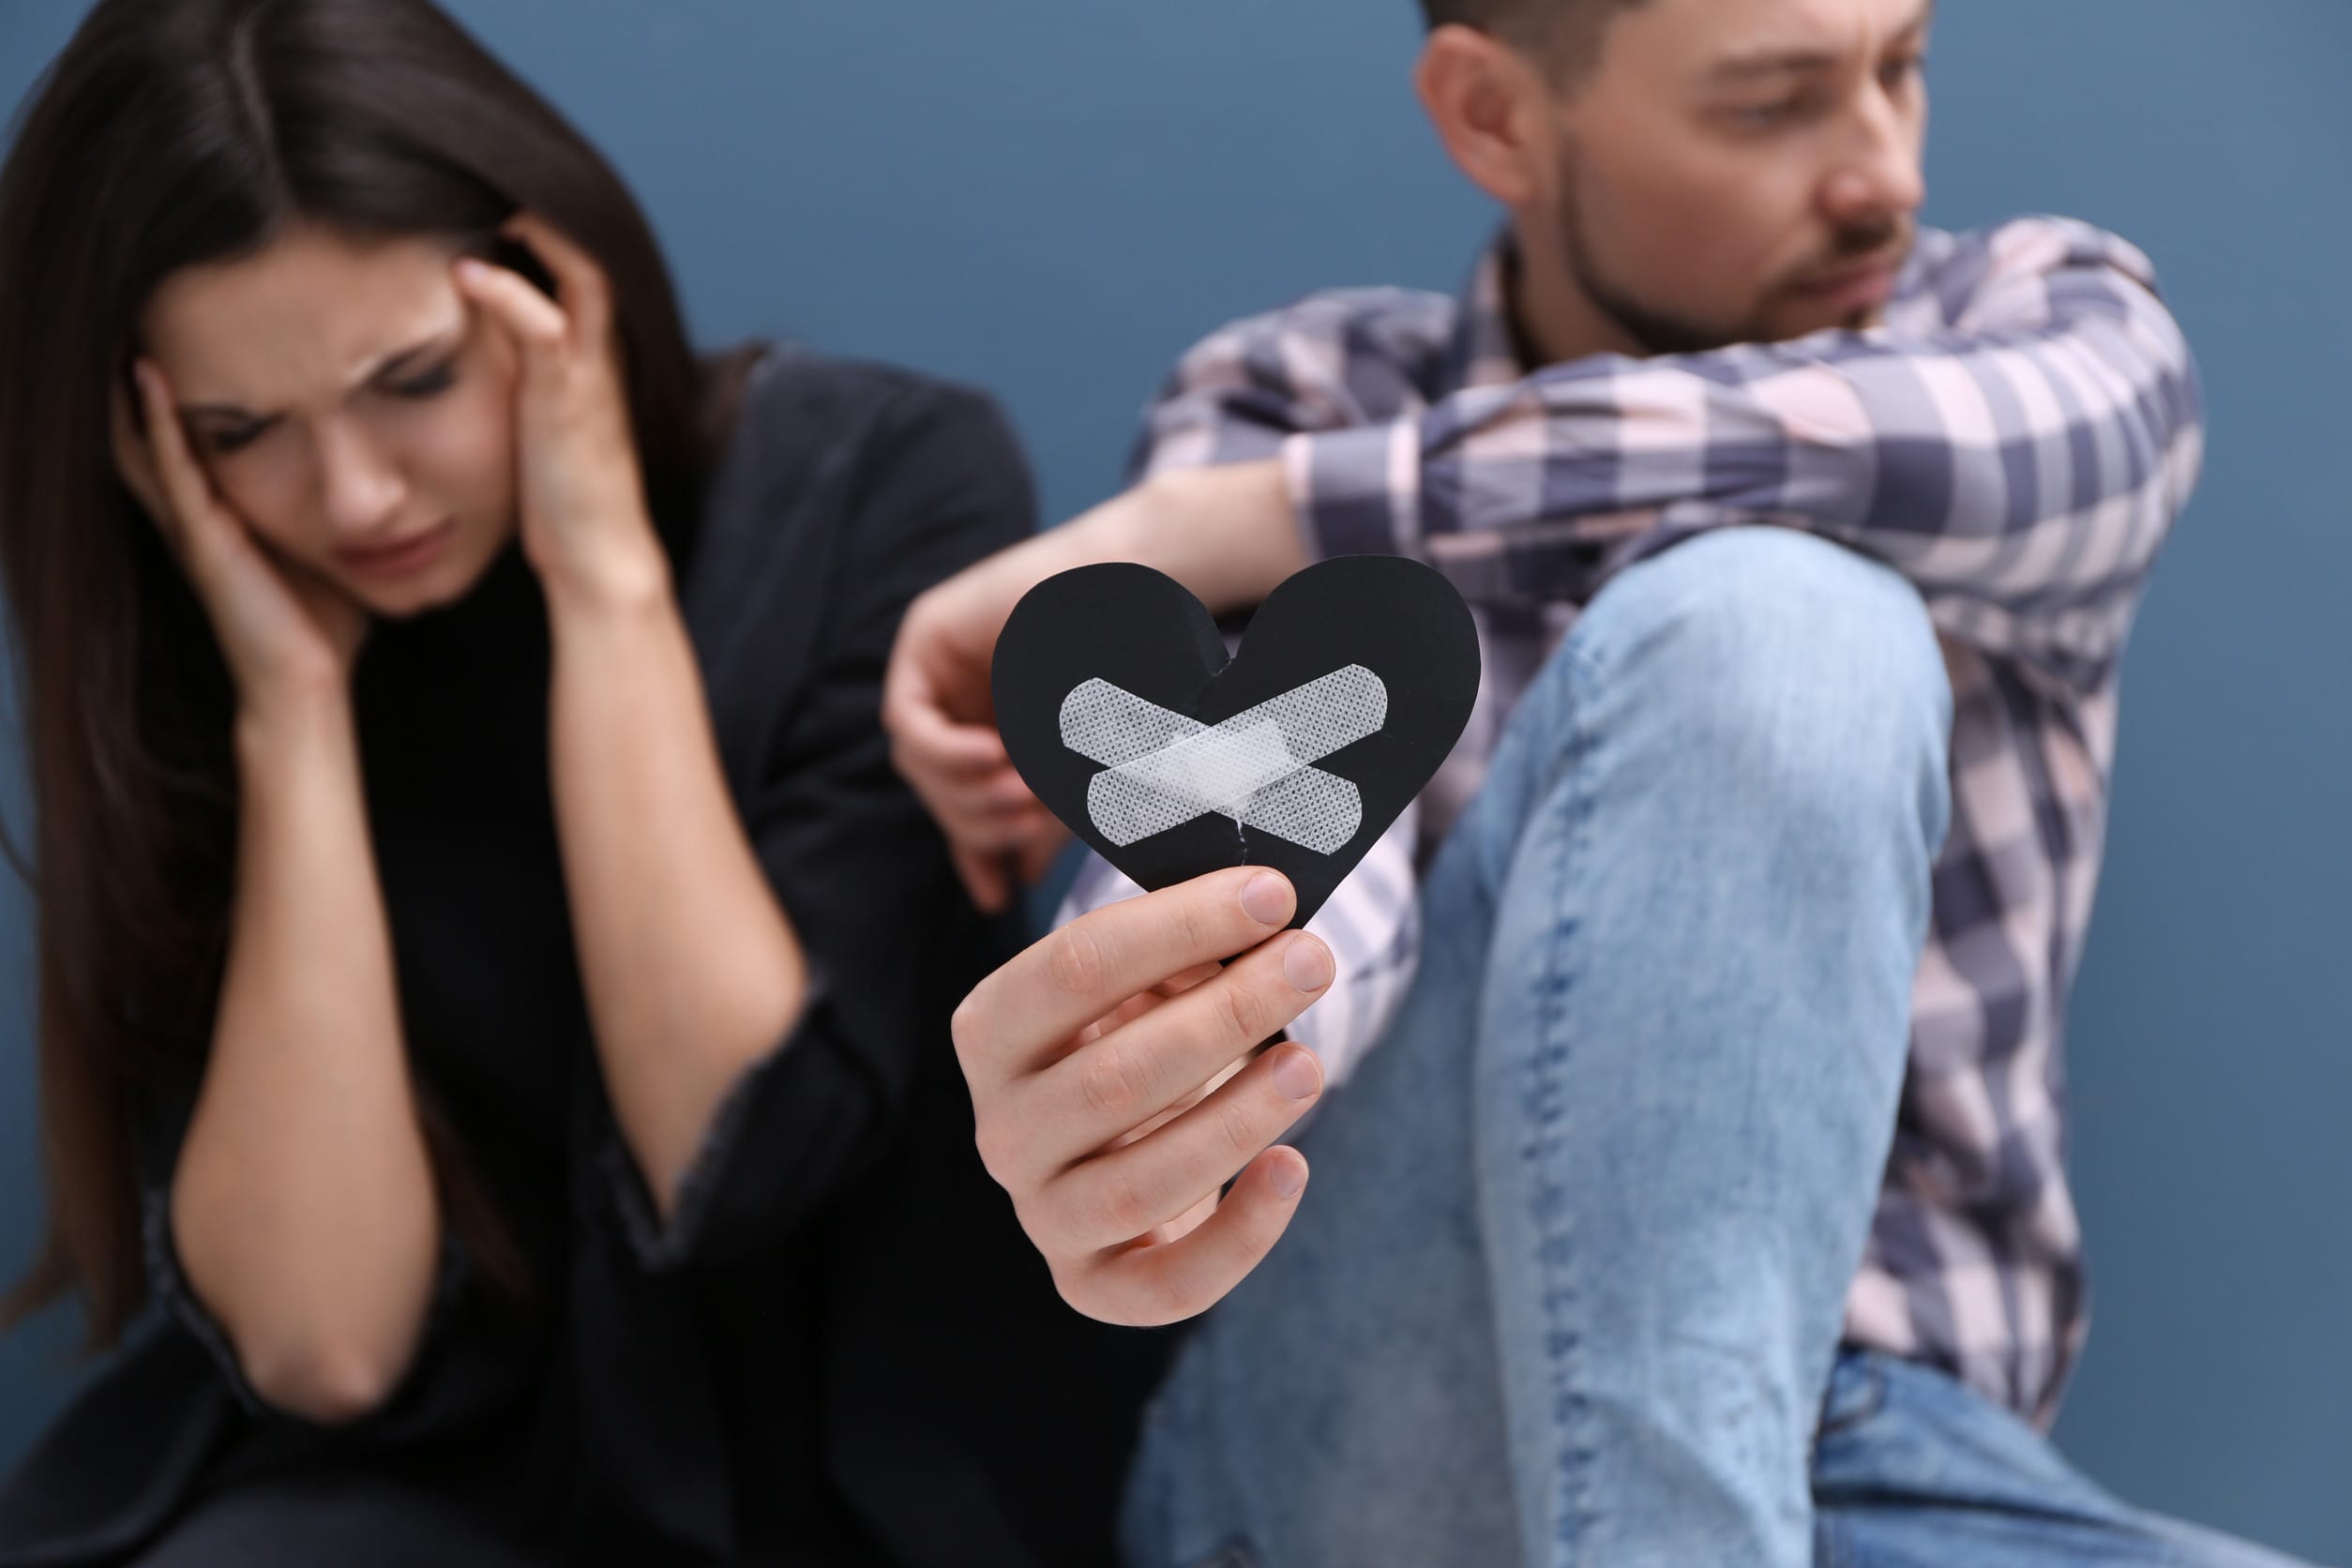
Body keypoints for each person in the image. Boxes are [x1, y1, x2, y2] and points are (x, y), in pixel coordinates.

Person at [885, 1, 2317, 1564]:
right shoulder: (1301, 398)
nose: (1885, 176)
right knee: (1773, 616)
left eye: (1902, 66)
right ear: (1496, 116)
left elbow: (1973, 449)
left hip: (1893, 1466)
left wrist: (1261, 515)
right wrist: (1167, 1069)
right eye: (1771, 102)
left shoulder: (2035, 321)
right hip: (1394, 1438)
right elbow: (1285, 855)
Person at [0, 1, 1156, 1562]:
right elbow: (327, 1352)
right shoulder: (209, 627)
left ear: (551, 292)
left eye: (414, 378)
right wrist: (292, 718)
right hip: (406, 1496)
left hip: (858, 1466)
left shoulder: (877, 484)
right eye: (242, 428)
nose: (354, 495)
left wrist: (603, 577)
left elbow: (733, 1162)